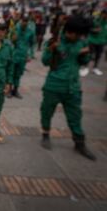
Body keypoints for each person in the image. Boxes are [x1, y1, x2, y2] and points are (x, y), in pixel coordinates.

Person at [39, 16, 96, 160]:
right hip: (53, 85)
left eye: (78, 34)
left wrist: (86, 53)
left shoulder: (81, 42)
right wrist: (51, 50)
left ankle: (79, 142)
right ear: (68, 31)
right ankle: (45, 134)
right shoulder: (55, 41)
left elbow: (83, 61)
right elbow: (45, 62)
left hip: (73, 88)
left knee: (75, 116)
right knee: (47, 111)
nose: (75, 36)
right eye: (73, 33)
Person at [8, 16, 35, 99]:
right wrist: (13, 39)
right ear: (20, 21)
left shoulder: (30, 31)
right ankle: (9, 90)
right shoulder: (15, 29)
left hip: (23, 56)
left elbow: (32, 43)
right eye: (23, 21)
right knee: (11, 73)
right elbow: (9, 41)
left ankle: (15, 90)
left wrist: (30, 55)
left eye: (26, 22)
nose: (24, 23)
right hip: (13, 55)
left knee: (18, 74)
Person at [80, 9, 107, 76]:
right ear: (102, 13)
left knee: (98, 55)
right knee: (89, 54)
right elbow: (88, 29)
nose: (105, 15)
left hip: (102, 41)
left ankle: (95, 68)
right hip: (92, 40)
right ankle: (85, 68)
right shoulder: (95, 20)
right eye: (105, 14)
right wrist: (94, 30)